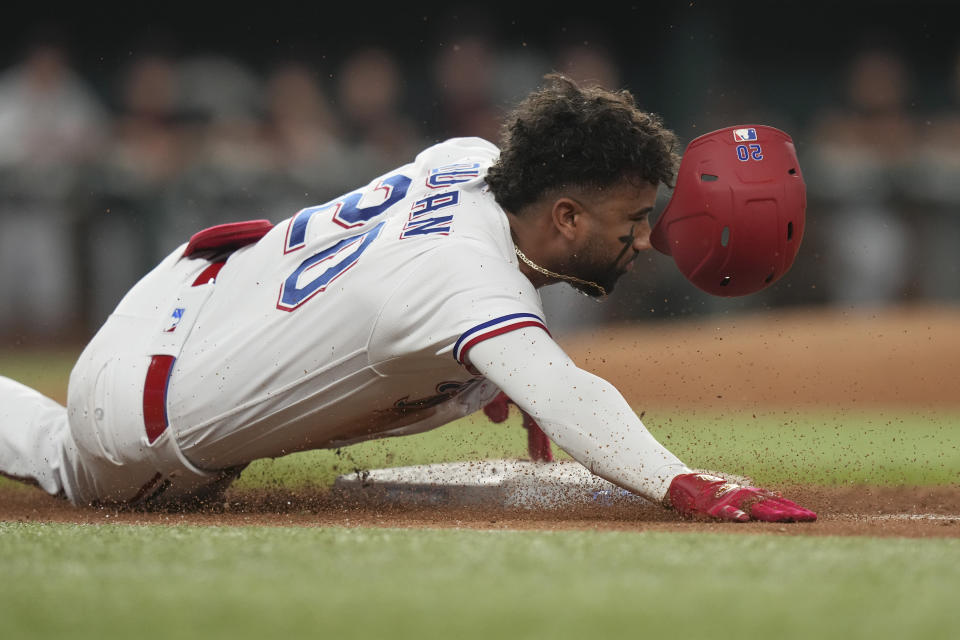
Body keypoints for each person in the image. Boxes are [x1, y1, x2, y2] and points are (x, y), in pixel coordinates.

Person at [0, 74, 815, 522]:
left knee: (439, 372)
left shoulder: (468, 158)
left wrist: (492, 371)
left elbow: (428, 279)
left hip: (193, 287)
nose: (646, 240)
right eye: (633, 220)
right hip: (143, 429)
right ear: (564, 215)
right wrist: (685, 483)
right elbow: (572, 395)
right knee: (81, 473)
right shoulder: (466, 284)